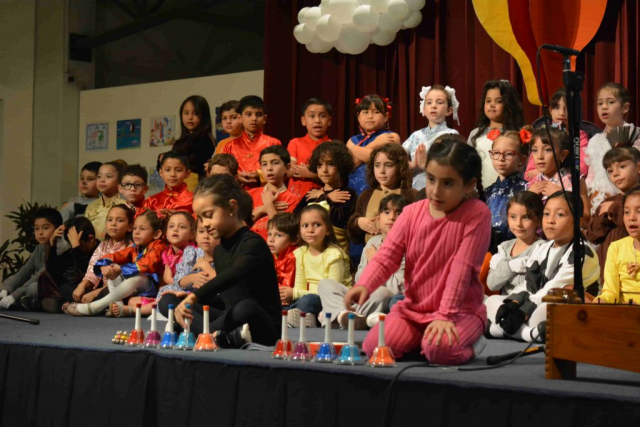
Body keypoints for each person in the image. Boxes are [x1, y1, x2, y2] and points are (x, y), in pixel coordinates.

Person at [344, 140, 490, 365]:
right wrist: (364, 284)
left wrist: (445, 316)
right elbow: (387, 256)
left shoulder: (476, 213)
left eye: (448, 183)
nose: (435, 191)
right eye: (431, 179)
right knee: (374, 347)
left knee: (440, 351)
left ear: (469, 185)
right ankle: (422, 345)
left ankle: (470, 344)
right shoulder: (411, 212)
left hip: (460, 312)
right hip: (414, 311)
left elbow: (461, 269)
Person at [158, 175, 281, 348]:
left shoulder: (253, 243)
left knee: (245, 307)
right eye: (201, 219)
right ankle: (217, 336)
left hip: (260, 324)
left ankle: (201, 333)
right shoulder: (219, 250)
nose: (205, 224)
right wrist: (190, 298)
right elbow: (227, 299)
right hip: (231, 319)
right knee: (168, 301)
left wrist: (195, 297)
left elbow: (235, 273)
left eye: (209, 215)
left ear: (231, 207)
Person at [490, 192, 599, 342]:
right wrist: (513, 303)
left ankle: (498, 330)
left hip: (568, 308)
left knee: (544, 310)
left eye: (560, 215)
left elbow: (553, 288)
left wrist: (523, 312)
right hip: (536, 302)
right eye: (547, 214)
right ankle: (531, 334)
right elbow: (529, 284)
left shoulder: (582, 251)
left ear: (578, 221)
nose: (550, 221)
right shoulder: (543, 248)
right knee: (491, 301)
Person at [320, 194, 408, 330]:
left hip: (383, 296)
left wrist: (377, 263)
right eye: (386, 212)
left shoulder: (406, 248)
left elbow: (397, 288)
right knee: (325, 284)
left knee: (382, 293)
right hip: (364, 295)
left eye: (398, 213)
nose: (391, 217)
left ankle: (338, 315)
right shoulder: (373, 242)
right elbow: (359, 279)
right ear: (378, 218)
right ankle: (347, 315)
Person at [63, 210, 166, 316]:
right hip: (135, 290)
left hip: (153, 287)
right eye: (135, 228)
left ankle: (94, 307)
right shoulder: (136, 248)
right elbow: (117, 255)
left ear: (156, 234)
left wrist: (121, 269)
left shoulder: (158, 246)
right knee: (113, 273)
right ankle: (117, 306)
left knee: (138, 276)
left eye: (142, 229)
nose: (136, 232)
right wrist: (104, 265)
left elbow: (148, 264)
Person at [284, 205, 351, 328]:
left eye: (317, 225)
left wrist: (294, 293)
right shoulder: (301, 253)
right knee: (300, 301)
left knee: (309, 300)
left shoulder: (334, 254)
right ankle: (304, 316)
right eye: (305, 225)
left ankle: (296, 315)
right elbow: (300, 286)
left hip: (332, 300)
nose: (310, 230)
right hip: (309, 297)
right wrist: (294, 294)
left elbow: (332, 292)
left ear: (328, 230)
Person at [586, 146, 640, 286]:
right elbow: (592, 235)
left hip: (632, 273)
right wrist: (605, 216)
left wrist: (613, 210)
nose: (615, 174)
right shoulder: (608, 200)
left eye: (622, 167)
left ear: (638, 167)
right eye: (610, 171)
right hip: (607, 273)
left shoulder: (613, 204)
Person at [348, 143, 417, 247]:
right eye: (377, 165)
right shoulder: (367, 195)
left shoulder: (410, 195)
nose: (382, 171)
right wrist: (358, 222)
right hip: (370, 252)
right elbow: (354, 235)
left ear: (400, 167)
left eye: (388, 165)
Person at [585, 82, 640, 214]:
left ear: (624, 107)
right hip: (599, 200)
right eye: (600, 103)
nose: (604, 107)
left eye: (610, 102)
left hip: (628, 199)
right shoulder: (595, 141)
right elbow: (591, 177)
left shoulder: (635, 134)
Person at [294, 141, 357, 254]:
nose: (324, 170)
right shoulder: (312, 194)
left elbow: (337, 220)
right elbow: (294, 220)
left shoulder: (347, 194)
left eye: (330, 164)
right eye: (320, 165)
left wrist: (323, 197)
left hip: (336, 254)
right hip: (308, 254)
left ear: (341, 166)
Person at [70, 204, 134, 306]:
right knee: (69, 288)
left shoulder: (132, 247)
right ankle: (87, 305)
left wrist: (96, 292)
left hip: (120, 290)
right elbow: (93, 268)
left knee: (108, 292)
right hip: (102, 289)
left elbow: (126, 281)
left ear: (130, 227)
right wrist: (82, 285)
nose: (113, 224)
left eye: (120, 220)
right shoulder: (103, 245)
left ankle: (83, 306)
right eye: (110, 220)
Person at [0, 208, 63, 309]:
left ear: (58, 229)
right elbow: (25, 271)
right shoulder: (39, 248)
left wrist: (13, 296)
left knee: (33, 288)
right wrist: (6, 290)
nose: (40, 232)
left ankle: (24, 302)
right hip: (39, 286)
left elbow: (40, 275)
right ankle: (23, 301)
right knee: (9, 281)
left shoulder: (61, 249)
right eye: (37, 228)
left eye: (45, 228)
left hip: (54, 287)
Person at [468, 79, 525, 189]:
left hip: (512, 190)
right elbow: (468, 164)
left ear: (509, 104)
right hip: (480, 191)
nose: (492, 105)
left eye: (499, 101)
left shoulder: (518, 133)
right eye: (488, 101)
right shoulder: (475, 134)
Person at [486, 191, 544, 298]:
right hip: (503, 304)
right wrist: (511, 266)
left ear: (538, 220)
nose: (518, 223)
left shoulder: (542, 248)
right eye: (513, 217)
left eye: (526, 217)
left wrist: (503, 267)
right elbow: (492, 284)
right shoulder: (504, 247)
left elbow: (532, 286)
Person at [524, 88, 590, 181]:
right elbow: (529, 174)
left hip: (567, 183)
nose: (562, 113)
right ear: (551, 110)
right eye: (557, 107)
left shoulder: (579, 135)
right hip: (541, 184)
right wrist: (543, 176)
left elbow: (582, 168)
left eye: (568, 108)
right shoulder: (543, 134)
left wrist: (551, 173)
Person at [527, 127, 590, 222]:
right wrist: (528, 197)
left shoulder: (574, 179)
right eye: (535, 150)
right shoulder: (533, 183)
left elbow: (585, 217)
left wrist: (560, 196)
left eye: (548, 150)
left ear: (563, 155)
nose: (539, 156)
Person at [36, 216, 99, 313]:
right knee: (44, 277)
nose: (73, 247)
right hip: (70, 290)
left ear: (90, 239)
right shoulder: (73, 250)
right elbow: (52, 270)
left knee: (66, 288)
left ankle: (58, 305)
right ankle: (60, 304)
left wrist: (77, 249)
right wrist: (52, 244)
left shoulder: (101, 250)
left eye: (77, 244)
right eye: (71, 244)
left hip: (88, 291)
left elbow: (87, 274)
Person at [403, 85, 460, 191]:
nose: (433, 106)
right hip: (415, 191)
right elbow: (396, 159)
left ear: (449, 110)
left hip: (441, 191)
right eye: (429, 102)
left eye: (439, 102)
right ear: (423, 109)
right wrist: (413, 164)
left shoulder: (451, 134)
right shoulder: (415, 136)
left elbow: (454, 166)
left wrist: (426, 165)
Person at [221, 95, 281, 189]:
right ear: (240, 118)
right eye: (249, 114)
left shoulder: (273, 143)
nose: (254, 118)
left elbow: (282, 171)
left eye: (259, 114)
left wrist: (259, 174)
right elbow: (221, 172)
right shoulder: (229, 146)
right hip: (237, 193)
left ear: (264, 119)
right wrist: (236, 176)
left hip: (266, 193)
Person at [346, 95, 401, 195]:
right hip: (352, 193)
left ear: (386, 116)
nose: (370, 116)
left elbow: (377, 159)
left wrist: (352, 148)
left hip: (380, 192)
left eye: (376, 112)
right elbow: (348, 166)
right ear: (358, 117)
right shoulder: (353, 140)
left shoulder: (391, 137)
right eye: (365, 112)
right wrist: (375, 144)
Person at [594, 186, 640, 304]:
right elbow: (610, 292)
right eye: (626, 212)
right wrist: (601, 300)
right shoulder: (616, 247)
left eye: (639, 211)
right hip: (623, 312)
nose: (631, 218)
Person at [485, 128, 529, 244]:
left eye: (509, 154)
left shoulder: (526, 189)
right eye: (496, 153)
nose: (501, 158)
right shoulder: (487, 192)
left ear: (522, 160)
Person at [249, 146, 299, 241]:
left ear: (287, 167)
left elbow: (284, 232)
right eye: (264, 164)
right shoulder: (250, 194)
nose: (269, 168)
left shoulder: (292, 200)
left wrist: (269, 207)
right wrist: (262, 209)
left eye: (275, 163)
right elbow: (240, 225)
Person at [287, 98, 333, 202]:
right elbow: (290, 171)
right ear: (303, 120)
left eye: (322, 116)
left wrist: (308, 173)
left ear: (329, 121)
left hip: (322, 198)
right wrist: (318, 173)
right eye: (312, 116)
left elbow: (334, 176)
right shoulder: (295, 143)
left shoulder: (332, 146)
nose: (317, 120)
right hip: (295, 199)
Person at [158, 221, 218, 300]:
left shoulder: (224, 256)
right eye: (201, 231)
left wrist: (205, 266)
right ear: (196, 235)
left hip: (212, 297)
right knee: (167, 292)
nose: (205, 236)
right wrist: (192, 278)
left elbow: (224, 284)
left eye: (211, 232)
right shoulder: (192, 253)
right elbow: (179, 280)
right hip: (188, 293)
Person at [173, 95, 216, 190]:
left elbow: (196, 165)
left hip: (195, 187)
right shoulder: (181, 141)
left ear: (204, 116)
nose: (190, 117)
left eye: (195, 113)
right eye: (186, 113)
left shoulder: (205, 139)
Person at [84, 161, 128, 240]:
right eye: (99, 176)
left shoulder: (124, 205)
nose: (102, 180)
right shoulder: (92, 206)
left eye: (108, 176)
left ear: (119, 181)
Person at [143, 151, 193, 216]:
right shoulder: (151, 201)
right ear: (161, 172)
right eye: (167, 170)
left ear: (187, 173)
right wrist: (156, 215)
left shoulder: (193, 200)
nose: (172, 174)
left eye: (178, 170)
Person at [267, 213, 298, 291]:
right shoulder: (272, 254)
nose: (271, 239)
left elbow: (286, 288)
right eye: (269, 234)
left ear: (294, 240)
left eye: (278, 235)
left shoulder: (292, 257)